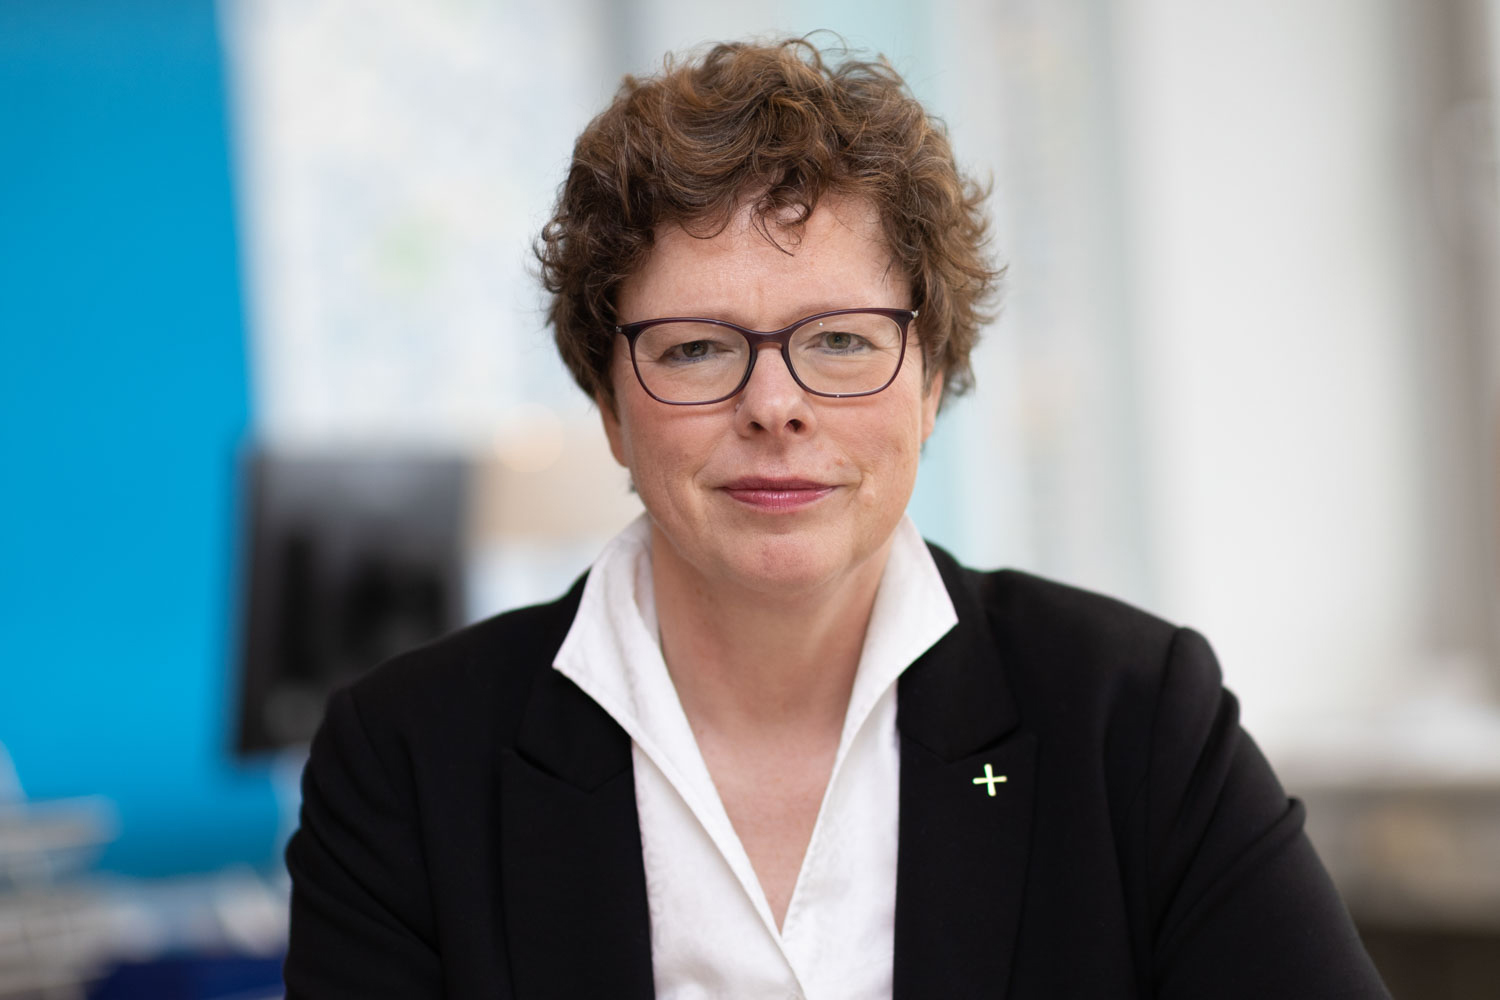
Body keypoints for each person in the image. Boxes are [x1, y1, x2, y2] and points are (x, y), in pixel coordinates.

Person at [283, 38, 1391, 999]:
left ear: (932, 380)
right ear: (609, 406)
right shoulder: (406, 762)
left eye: (843, 340)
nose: (775, 405)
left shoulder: (1134, 719)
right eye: (696, 348)